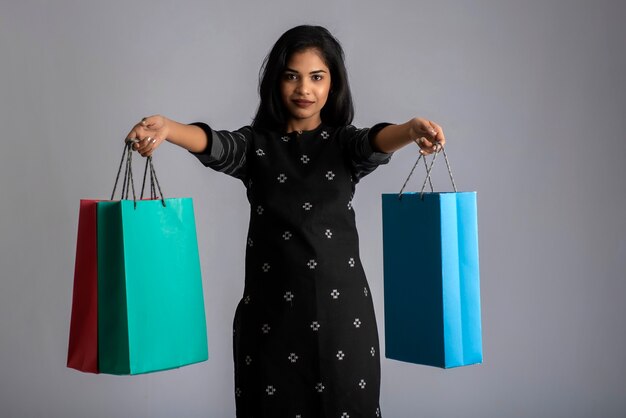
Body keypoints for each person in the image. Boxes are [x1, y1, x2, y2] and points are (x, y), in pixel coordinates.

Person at [126, 25, 445, 418]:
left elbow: (375, 142)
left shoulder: (344, 146)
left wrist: (410, 131)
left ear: (333, 84)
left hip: (343, 321)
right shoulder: (255, 146)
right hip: (270, 322)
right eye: (292, 75)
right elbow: (214, 144)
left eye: (317, 77)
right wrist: (168, 128)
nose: (304, 89)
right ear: (276, 81)